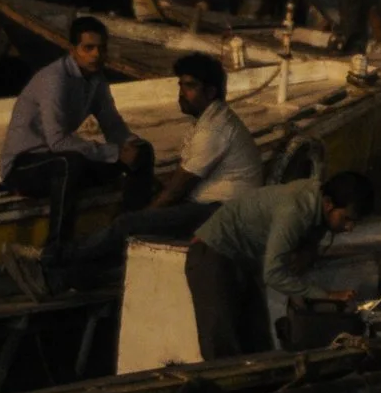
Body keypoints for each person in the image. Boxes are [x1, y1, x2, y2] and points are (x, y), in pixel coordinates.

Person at [18, 51, 265, 295]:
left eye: (190, 86)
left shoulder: (215, 130)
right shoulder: (210, 120)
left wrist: (143, 216)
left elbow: (176, 190)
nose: (181, 93)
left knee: (130, 224)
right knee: (133, 228)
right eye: (180, 85)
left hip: (221, 214)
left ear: (210, 92)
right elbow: (178, 181)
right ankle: (62, 279)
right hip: (211, 208)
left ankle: (50, 258)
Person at [0, 16, 154, 264]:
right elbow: (57, 142)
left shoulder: (97, 80)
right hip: (24, 166)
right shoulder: (54, 79)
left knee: (143, 152)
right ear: (73, 50)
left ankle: (127, 233)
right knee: (69, 162)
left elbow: (112, 124)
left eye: (101, 48)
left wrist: (129, 144)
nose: (95, 55)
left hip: (60, 158)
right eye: (88, 48)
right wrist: (113, 153)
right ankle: (56, 250)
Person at [185, 169, 375, 359]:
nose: (349, 228)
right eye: (346, 219)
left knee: (257, 343)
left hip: (243, 261)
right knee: (221, 346)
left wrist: (309, 251)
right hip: (212, 254)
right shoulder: (296, 211)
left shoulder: (318, 205)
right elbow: (273, 274)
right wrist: (327, 295)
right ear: (328, 204)